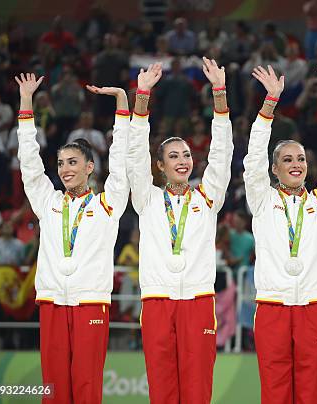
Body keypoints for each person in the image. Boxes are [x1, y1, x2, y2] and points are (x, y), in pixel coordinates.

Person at [15, 72, 130, 404]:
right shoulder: (47, 202)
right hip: (52, 301)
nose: (65, 169)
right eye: (61, 163)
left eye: (73, 162)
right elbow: (29, 165)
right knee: (52, 389)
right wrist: (26, 103)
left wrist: (122, 103)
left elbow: (120, 165)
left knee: (86, 387)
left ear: (90, 167)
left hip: (90, 303)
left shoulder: (107, 205)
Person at [126, 59, 232, 404]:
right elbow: (133, 155)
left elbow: (221, 154)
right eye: (174, 155)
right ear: (160, 165)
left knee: (198, 387)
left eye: (186, 154)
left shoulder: (207, 197)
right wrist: (142, 96)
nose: (183, 160)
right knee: (162, 387)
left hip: (198, 301)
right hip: (157, 300)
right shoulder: (147, 197)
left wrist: (219, 93)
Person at [244, 61, 317, 404]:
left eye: (301, 159)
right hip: (273, 304)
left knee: (314, 390)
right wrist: (270, 104)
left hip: (314, 303)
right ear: (274, 169)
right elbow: (252, 157)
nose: (295, 164)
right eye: (287, 159)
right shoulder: (261, 199)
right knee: (274, 390)